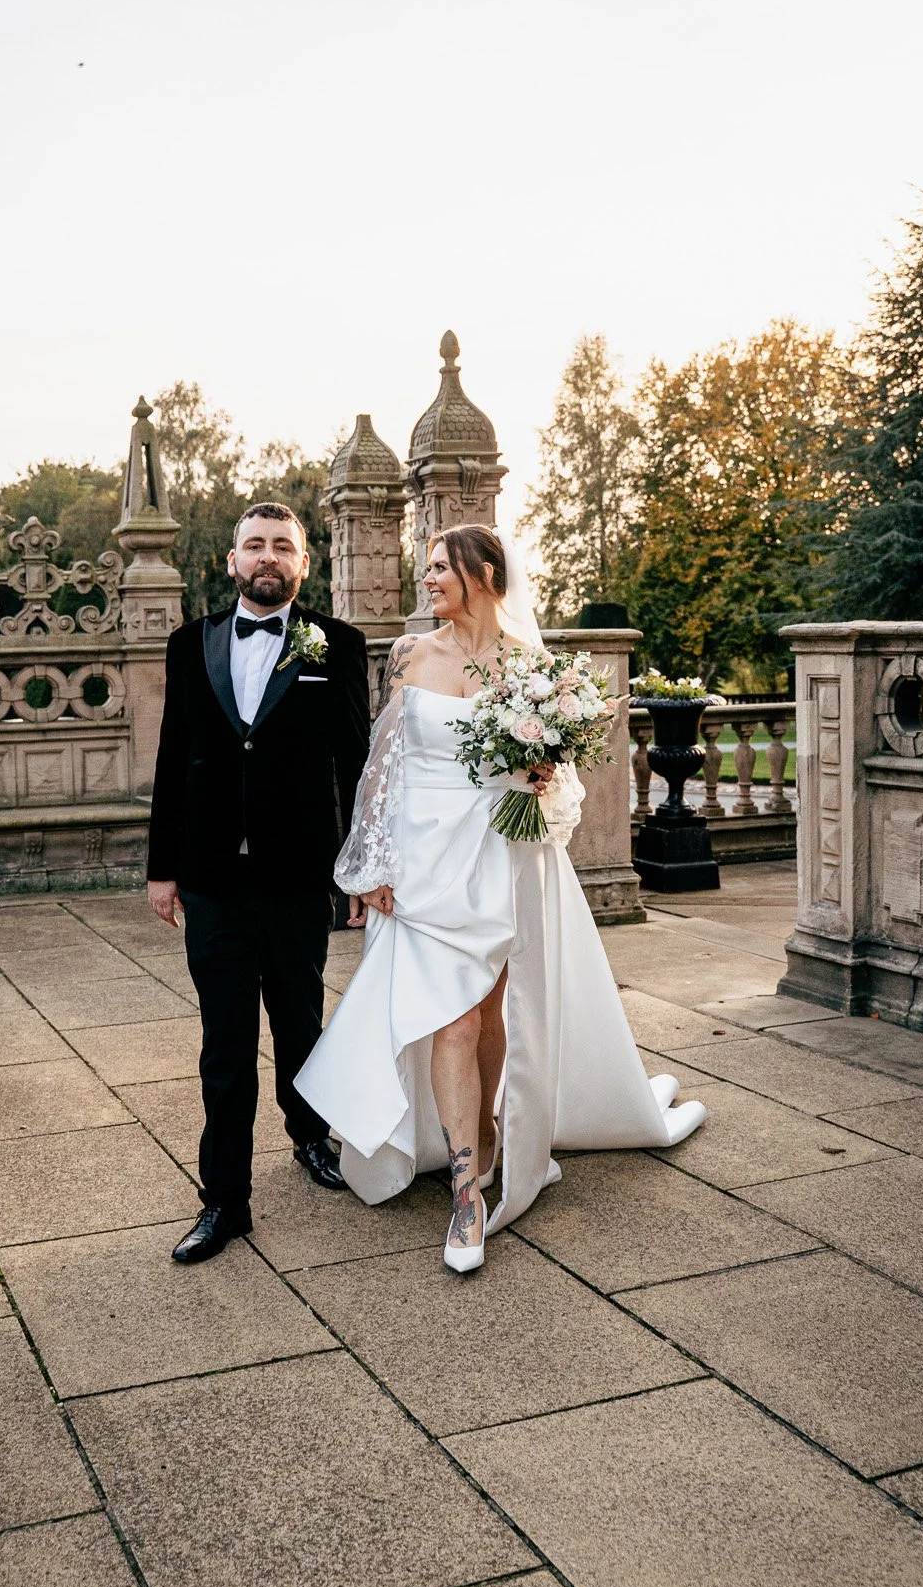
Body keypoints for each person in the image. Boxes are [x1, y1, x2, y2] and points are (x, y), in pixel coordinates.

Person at [295, 523, 705, 1273]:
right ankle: (464, 1192)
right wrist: (367, 864)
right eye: (425, 568)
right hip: (421, 861)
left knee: (490, 1012)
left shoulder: (533, 669)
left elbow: (563, 780)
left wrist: (542, 782)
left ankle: (483, 1137)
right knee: (449, 1020)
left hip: (501, 855)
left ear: (483, 573)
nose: (427, 580)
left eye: (439, 567)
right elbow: (380, 768)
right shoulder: (409, 655)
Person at [147, 501, 371, 1263]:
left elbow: (356, 761)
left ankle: (310, 1135)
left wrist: (358, 871)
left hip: (299, 873)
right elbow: (173, 756)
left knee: (302, 1022)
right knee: (225, 1044)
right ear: (232, 560)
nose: (268, 557)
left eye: (283, 546)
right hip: (210, 879)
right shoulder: (191, 642)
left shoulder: (336, 644)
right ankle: (224, 1202)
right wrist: (161, 870)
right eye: (254, 545)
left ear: (304, 565)